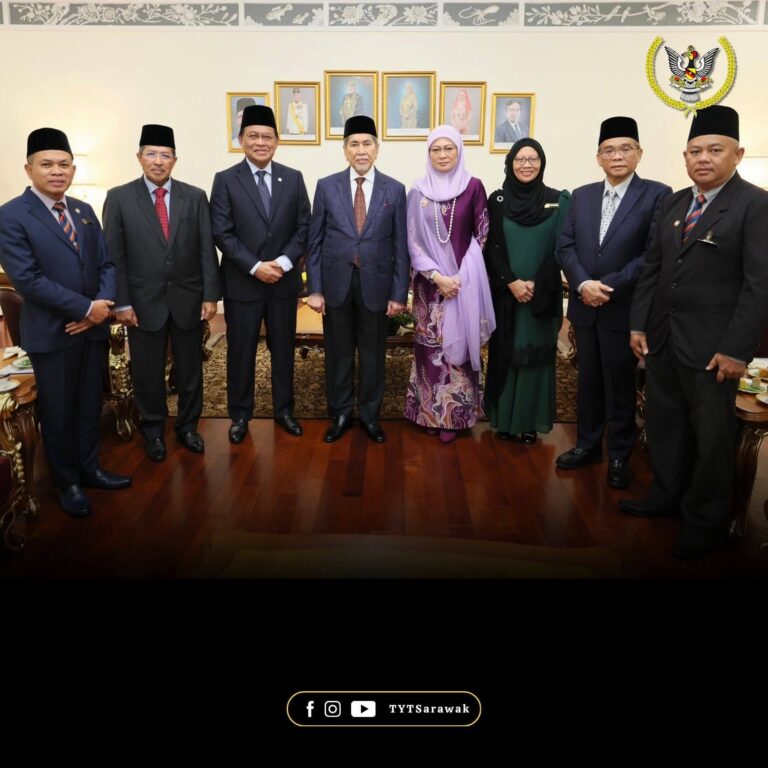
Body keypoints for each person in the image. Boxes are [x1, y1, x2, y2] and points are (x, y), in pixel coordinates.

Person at [622, 104, 768, 559]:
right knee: (665, 426)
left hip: (713, 350)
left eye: (715, 150)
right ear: (685, 156)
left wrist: (736, 349)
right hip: (663, 340)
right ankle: (666, 496)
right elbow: (653, 268)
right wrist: (638, 323)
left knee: (712, 440)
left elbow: (760, 284)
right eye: (696, 151)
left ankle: (705, 521)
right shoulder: (674, 202)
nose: (704, 158)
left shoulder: (755, 205)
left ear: (737, 154)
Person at [0, 128, 130, 517]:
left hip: (91, 331)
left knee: (89, 405)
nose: (57, 171)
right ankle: (67, 482)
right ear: (29, 169)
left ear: (73, 169)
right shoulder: (11, 215)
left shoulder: (84, 211)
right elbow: (28, 280)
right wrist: (86, 309)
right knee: (57, 413)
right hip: (52, 333)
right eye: (47, 164)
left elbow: (107, 264)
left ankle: (90, 468)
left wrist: (99, 309)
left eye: (64, 164)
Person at [555, 117, 671, 488]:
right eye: (609, 150)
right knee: (588, 382)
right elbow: (565, 246)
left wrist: (605, 286)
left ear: (639, 153)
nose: (617, 156)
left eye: (625, 149)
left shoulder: (657, 194)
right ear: (598, 157)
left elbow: (652, 254)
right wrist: (583, 283)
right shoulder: (582, 195)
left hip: (623, 309)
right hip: (585, 308)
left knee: (620, 386)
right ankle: (587, 445)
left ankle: (620, 455)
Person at [103, 124, 221, 462]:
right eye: (151, 154)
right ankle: (153, 431)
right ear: (139, 158)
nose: (158, 161)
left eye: (165, 155)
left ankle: (188, 427)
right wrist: (122, 302)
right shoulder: (119, 198)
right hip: (142, 304)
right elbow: (114, 257)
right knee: (147, 373)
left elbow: (206, 249)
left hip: (188, 299)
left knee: (190, 370)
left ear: (175, 160)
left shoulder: (194, 196)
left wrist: (210, 296)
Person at [211, 105, 311, 443]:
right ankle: (240, 415)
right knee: (241, 352)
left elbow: (304, 226)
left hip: (283, 283)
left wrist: (282, 263)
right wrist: (255, 266)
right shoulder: (226, 180)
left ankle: (284, 410)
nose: (260, 142)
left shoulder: (293, 178)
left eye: (267, 136)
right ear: (241, 140)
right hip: (243, 284)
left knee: (283, 351)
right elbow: (222, 232)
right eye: (253, 136)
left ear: (277, 141)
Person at [306, 116, 409, 444]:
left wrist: (398, 293)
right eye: (354, 144)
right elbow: (315, 242)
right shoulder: (326, 186)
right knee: (337, 353)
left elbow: (400, 245)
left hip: (376, 286)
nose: (361, 150)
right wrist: (315, 289)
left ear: (377, 149)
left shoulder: (395, 189)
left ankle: (369, 415)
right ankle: (339, 413)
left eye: (367, 144)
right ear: (345, 150)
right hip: (336, 284)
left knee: (373, 355)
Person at [404, 125, 494, 443]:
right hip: (430, 288)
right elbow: (412, 240)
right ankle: (429, 412)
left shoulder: (473, 187)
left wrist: (460, 277)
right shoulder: (417, 191)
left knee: (459, 349)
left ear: (458, 151)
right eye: (436, 149)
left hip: (463, 284)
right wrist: (436, 276)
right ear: (428, 154)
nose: (442, 155)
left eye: (448, 148)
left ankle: (455, 417)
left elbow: (482, 232)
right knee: (429, 350)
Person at [484, 139, 570, 443]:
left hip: (540, 296)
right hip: (506, 295)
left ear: (542, 163)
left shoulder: (559, 201)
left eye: (533, 159)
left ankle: (529, 421)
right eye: (520, 159)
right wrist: (512, 282)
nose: (526, 165)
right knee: (506, 355)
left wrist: (535, 282)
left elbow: (563, 247)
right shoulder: (496, 200)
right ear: (510, 163)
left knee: (535, 358)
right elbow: (490, 248)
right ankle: (504, 422)